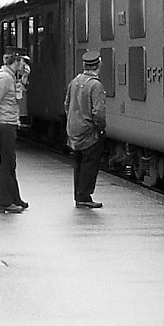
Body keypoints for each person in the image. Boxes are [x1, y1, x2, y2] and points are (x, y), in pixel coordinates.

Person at [0, 47, 30, 214]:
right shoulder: (4, 78)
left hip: (8, 123)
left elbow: (17, 95)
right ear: (15, 61)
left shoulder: (10, 77)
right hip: (3, 124)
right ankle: (4, 202)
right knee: (6, 163)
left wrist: (24, 78)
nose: (24, 64)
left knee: (10, 162)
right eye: (22, 61)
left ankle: (15, 198)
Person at [65, 50, 107, 209]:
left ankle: (79, 195)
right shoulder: (95, 85)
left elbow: (66, 104)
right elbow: (98, 112)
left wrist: (72, 121)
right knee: (90, 165)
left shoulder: (74, 82)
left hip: (74, 131)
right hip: (90, 132)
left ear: (84, 65)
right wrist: (100, 128)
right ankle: (84, 196)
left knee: (78, 164)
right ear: (99, 65)